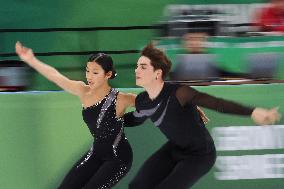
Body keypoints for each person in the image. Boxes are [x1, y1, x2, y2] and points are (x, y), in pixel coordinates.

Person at [124, 43, 282, 189]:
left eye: (143, 67)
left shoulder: (180, 93)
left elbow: (217, 103)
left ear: (157, 73)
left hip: (200, 155)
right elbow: (135, 119)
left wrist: (253, 111)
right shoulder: (143, 100)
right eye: (137, 66)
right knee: (137, 186)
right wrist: (106, 120)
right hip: (175, 148)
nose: (136, 70)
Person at [15, 42, 136, 189]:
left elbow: (150, 102)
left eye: (95, 72)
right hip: (97, 152)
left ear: (108, 74)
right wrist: (31, 60)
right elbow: (55, 76)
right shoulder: (83, 91)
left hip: (119, 158)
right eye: (87, 71)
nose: (89, 77)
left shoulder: (120, 99)